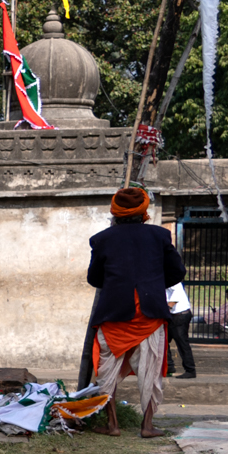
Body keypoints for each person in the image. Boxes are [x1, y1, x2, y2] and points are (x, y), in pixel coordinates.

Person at [86, 185, 186, 437]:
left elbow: (94, 279)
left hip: (113, 314)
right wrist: (151, 282)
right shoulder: (159, 235)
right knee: (151, 370)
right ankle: (147, 426)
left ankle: (112, 425)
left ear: (115, 212)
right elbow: (177, 272)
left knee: (106, 371)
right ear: (144, 212)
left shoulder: (101, 239)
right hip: (149, 314)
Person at [166, 280, 197, 378]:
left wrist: (168, 308)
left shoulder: (171, 279)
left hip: (180, 315)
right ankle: (168, 366)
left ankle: (190, 370)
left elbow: (177, 293)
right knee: (163, 342)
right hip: (173, 315)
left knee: (182, 343)